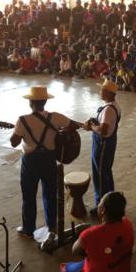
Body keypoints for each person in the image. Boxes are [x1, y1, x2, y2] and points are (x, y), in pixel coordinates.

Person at [10, 86, 82, 238]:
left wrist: (19, 133)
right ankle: (51, 227)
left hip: (30, 162)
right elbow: (74, 126)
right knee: (50, 194)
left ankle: (28, 229)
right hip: (49, 159)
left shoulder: (22, 120)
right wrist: (59, 132)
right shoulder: (55, 117)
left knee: (28, 195)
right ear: (44, 101)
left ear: (30, 102)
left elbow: (13, 143)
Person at [54, 191, 134, 272]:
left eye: (100, 202)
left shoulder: (91, 234)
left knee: (67, 268)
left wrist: (92, 253)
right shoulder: (127, 224)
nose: (98, 204)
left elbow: (75, 250)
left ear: (103, 210)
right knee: (86, 264)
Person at [83, 79, 121, 212]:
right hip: (110, 142)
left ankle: (101, 206)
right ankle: (111, 201)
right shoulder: (114, 105)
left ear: (108, 93)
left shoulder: (108, 110)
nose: (100, 92)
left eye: (102, 90)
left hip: (102, 144)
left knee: (99, 175)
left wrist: (91, 127)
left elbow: (103, 130)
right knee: (106, 172)